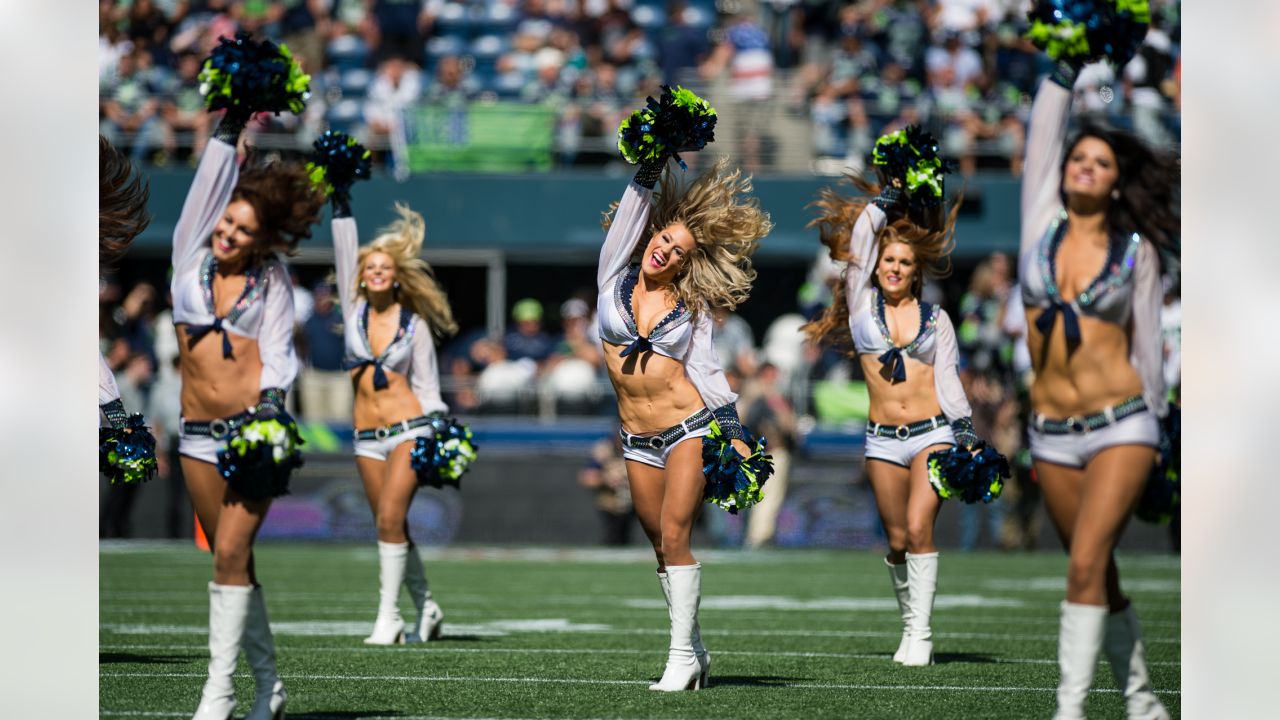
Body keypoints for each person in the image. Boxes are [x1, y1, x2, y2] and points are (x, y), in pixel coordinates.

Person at [1019, 52, 1178, 720]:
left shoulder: (1137, 251)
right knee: (1098, 571)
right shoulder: (1039, 222)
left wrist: (1161, 428)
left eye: (1100, 162)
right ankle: (1141, 699)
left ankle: (1069, 710)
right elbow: (1043, 134)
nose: (1084, 165)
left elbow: (1149, 346)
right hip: (1051, 434)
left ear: (1116, 182)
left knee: (1082, 565)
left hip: (1122, 424)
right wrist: (1062, 66)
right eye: (1077, 157)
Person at [173, 85, 325, 719]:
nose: (230, 233)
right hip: (194, 437)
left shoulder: (271, 281)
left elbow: (279, 352)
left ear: (263, 239)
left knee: (230, 555)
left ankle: (219, 693)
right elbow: (203, 192)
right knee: (235, 561)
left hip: (250, 432)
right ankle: (271, 687)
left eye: (243, 229)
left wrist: (270, 405)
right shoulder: (189, 258)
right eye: (227, 222)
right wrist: (229, 124)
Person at [597, 147, 771, 690]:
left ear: (685, 263)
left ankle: (677, 659)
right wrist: (649, 166)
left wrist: (735, 432)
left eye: (678, 251)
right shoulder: (612, 277)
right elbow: (629, 211)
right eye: (663, 239)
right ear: (649, 237)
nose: (665, 251)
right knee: (657, 546)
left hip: (688, 428)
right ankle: (693, 649)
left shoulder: (690, 307)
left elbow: (707, 371)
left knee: (676, 537)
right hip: (636, 438)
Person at [802, 145, 975, 667]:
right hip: (882, 440)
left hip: (932, 434)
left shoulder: (937, 319)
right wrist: (889, 196)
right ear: (876, 268)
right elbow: (858, 242)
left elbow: (949, 382)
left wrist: (964, 433)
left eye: (904, 262)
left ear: (916, 270)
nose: (895, 267)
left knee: (922, 530)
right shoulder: (860, 308)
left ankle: (920, 634)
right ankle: (908, 624)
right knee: (897, 540)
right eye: (888, 261)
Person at [333, 197, 459, 645]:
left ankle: (389, 618)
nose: (377, 272)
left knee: (389, 518)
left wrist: (439, 429)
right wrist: (342, 202)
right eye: (371, 267)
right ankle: (427, 605)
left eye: (385, 267)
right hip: (366, 436)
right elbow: (344, 250)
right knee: (392, 526)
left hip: (409, 430)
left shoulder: (414, 325)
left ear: (396, 276)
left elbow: (427, 388)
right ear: (362, 275)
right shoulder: (353, 315)